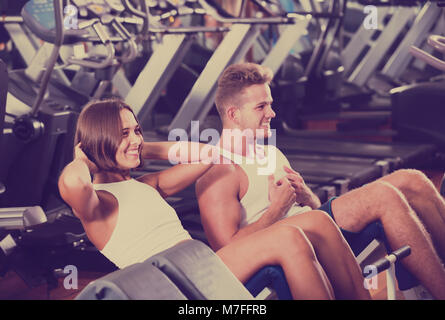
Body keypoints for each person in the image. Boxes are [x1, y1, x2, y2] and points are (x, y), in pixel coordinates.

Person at [58, 99, 370, 300]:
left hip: (201, 262)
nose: (135, 138)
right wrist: (85, 159)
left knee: (314, 220)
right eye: (123, 133)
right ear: (97, 140)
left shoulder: (147, 184)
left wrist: (142, 147)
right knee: (288, 237)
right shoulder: (97, 204)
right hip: (173, 283)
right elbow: (72, 181)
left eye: (136, 130)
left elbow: (209, 154)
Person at [195, 62, 445, 300]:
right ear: (233, 114)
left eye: (270, 104)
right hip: (288, 243)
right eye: (261, 107)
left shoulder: (269, 150)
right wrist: (277, 210)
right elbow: (228, 251)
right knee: (384, 196)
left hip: (318, 227)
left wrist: (307, 196)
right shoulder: (218, 169)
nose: (272, 113)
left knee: (411, 179)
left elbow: (314, 212)